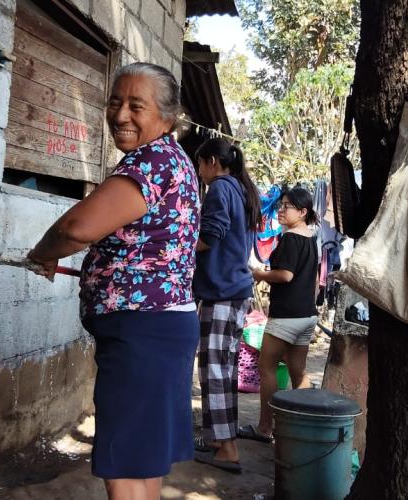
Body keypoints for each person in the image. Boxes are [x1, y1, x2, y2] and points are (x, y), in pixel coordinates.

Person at [27, 62, 200, 500]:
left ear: (168, 116)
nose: (121, 115)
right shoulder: (175, 161)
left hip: (141, 331)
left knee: (125, 465)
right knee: (142, 462)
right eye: (115, 102)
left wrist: (43, 253)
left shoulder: (151, 162)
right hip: (163, 326)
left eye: (136, 106)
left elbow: (75, 229)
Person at [191, 138, 261, 473]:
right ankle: (221, 440)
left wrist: (177, 244)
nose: (199, 172)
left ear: (212, 162)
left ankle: (227, 448)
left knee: (214, 369)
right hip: (236, 290)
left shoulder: (220, 188)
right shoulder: (242, 189)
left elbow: (209, 237)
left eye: (200, 164)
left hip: (222, 291)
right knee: (225, 368)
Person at [238, 186, 319, 443]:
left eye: (287, 206)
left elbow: (285, 275)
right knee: (298, 370)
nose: (281, 210)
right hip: (306, 315)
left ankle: (265, 428)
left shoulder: (291, 238)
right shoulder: (310, 237)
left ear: (302, 212)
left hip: (286, 316)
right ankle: (305, 430)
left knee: (267, 367)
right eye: (281, 205)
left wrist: (260, 274)